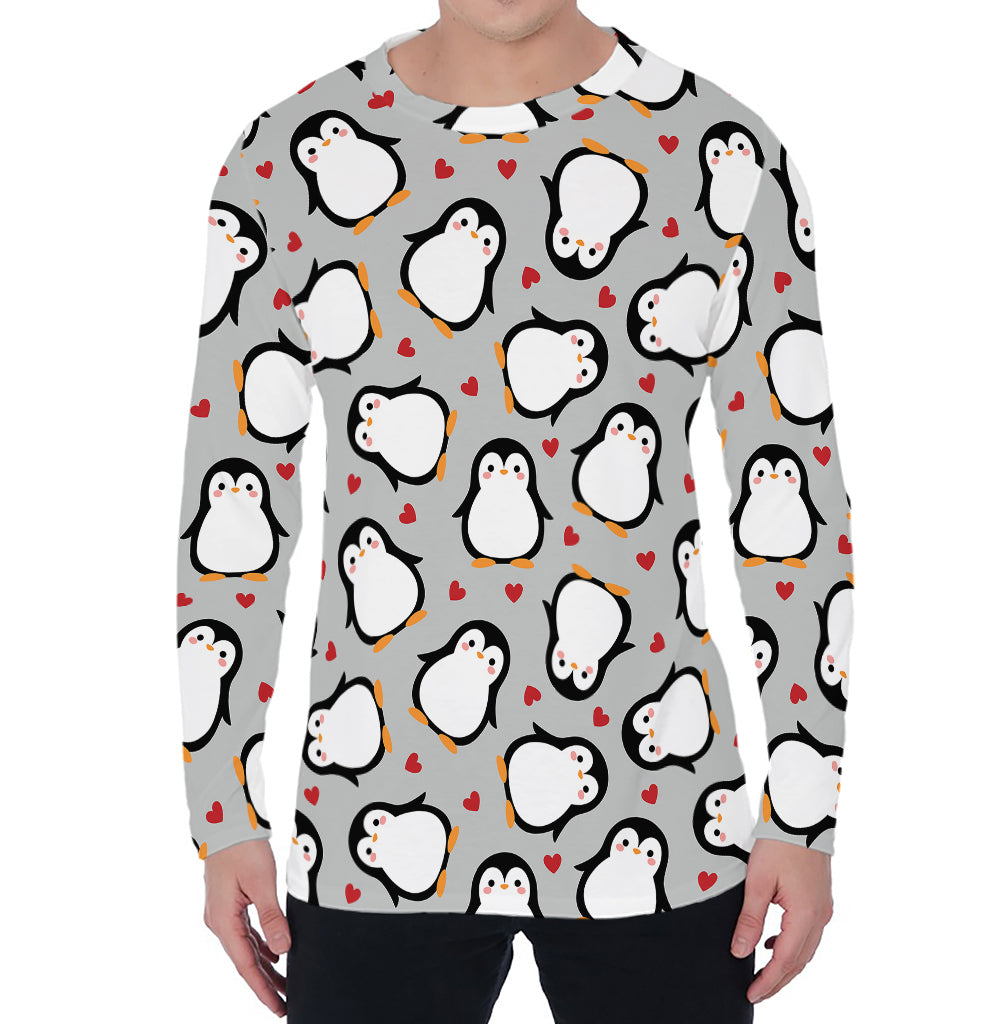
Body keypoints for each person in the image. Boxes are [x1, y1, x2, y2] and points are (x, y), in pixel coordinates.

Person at [176, 3, 854, 1020]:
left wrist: (802, 815)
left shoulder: (722, 153)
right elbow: (232, 499)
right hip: (375, 813)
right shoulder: (286, 161)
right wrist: (223, 809)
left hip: (658, 810)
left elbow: (790, 494)